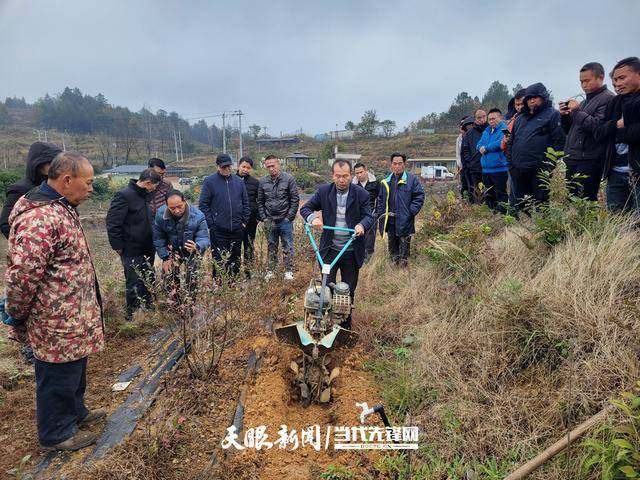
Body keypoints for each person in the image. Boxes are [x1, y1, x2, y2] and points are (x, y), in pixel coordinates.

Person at [5, 151, 105, 451]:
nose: (90, 189)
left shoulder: (61, 206)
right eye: (87, 183)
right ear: (66, 180)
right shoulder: (39, 217)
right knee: (57, 374)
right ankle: (56, 433)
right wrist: (17, 315)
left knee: (75, 369)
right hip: (54, 319)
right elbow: (22, 277)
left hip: (73, 314)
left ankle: (76, 413)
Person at [300, 160, 374, 329]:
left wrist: (361, 225)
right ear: (333, 175)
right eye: (338, 176)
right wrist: (314, 218)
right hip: (329, 250)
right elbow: (305, 209)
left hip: (351, 250)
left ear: (351, 176)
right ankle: (326, 323)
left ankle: (345, 326)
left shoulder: (361, 194)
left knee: (347, 291)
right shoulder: (324, 192)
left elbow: (369, 216)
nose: (342, 180)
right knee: (327, 289)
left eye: (345, 176)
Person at [106, 169, 161, 320]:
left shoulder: (145, 196)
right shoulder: (124, 196)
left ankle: (147, 308)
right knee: (134, 283)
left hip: (148, 247)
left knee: (148, 278)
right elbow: (112, 223)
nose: (154, 189)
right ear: (148, 182)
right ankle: (132, 316)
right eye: (154, 186)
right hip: (131, 249)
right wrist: (118, 246)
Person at [560, 62, 615, 201]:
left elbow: (598, 128)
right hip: (574, 157)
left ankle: (589, 224)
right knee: (572, 200)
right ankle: (574, 223)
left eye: (587, 81)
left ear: (600, 77)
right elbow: (570, 130)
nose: (583, 85)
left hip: (590, 159)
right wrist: (565, 115)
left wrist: (576, 111)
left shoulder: (608, 98)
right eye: (581, 81)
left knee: (586, 200)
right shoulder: (585, 102)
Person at [507, 82, 566, 211]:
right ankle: (522, 230)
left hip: (540, 170)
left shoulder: (552, 114)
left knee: (541, 204)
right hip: (518, 170)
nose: (531, 100)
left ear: (543, 97)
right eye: (528, 98)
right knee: (522, 205)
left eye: (535, 97)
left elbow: (559, 141)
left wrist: (548, 166)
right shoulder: (520, 118)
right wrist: (511, 165)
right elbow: (511, 141)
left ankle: (542, 230)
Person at [595, 57, 640, 212]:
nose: (617, 84)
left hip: (637, 171)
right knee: (616, 220)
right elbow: (599, 132)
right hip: (615, 171)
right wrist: (618, 124)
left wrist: (614, 131)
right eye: (614, 80)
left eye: (622, 78)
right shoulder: (614, 103)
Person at [198, 154, 250, 279]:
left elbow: (246, 203)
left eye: (229, 166)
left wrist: (244, 222)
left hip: (237, 228)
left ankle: (234, 283)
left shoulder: (238, 182)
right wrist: (212, 224)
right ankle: (220, 285)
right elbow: (203, 204)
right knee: (219, 259)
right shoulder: (210, 182)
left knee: (235, 257)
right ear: (218, 166)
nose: (227, 169)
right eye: (224, 167)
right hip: (218, 230)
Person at [152, 190, 210, 298]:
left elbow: (204, 238)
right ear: (166, 205)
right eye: (172, 208)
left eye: (180, 206)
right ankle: (174, 305)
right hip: (172, 250)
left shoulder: (197, 216)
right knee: (169, 276)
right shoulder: (160, 214)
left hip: (191, 250)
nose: (177, 211)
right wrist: (165, 257)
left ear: (185, 201)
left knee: (192, 277)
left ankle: (190, 305)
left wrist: (197, 246)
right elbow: (158, 237)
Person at [1, 141, 62, 239]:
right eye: (51, 163)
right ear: (38, 164)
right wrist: (28, 244)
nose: (56, 167)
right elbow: (6, 224)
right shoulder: (19, 189)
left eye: (58, 164)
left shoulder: (55, 187)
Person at [376, 153, 425, 266]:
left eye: (400, 163)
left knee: (404, 245)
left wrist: (411, 212)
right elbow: (380, 199)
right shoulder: (385, 182)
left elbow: (419, 196)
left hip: (405, 219)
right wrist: (380, 213)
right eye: (395, 163)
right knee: (392, 244)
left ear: (404, 164)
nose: (397, 166)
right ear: (391, 165)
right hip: (390, 220)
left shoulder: (411, 180)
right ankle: (393, 265)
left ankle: (404, 268)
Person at [257, 155, 300, 280]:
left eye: (273, 165)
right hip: (269, 220)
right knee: (271, 246)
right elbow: (260, 201)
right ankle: (271, 270)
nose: (271, 168)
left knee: (287, 245)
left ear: (278, 165)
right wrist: (264, 218)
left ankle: (288, 270)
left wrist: (289, 217)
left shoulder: (288, 179)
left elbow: (295, 199)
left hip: (284, 220)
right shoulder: (263, 181)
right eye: (268, 166)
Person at [477, 108, 509, 213]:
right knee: (489, 194)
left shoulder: (504, 129)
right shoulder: (486, 131)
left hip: (499, 168)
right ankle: (492, 214)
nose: (491, 121)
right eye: (489, 119)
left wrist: (486, 148)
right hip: (486, 169)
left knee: (500, 193)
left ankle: (502, 214)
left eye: (493, 119)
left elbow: (500, 143)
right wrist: (481, 148)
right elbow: (479, 144)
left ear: (500, 118)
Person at [236, 156, 260, 272]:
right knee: (235, 248)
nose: (245, 169)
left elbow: (260, 201)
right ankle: (234, 273)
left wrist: (258, 218)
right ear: (238, 166)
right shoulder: (231, 180)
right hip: (236, 222)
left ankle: (248, 272)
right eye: (243, 167)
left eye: (248, 168)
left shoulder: (255, 183)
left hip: (251, 222)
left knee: (249, 247)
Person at [352, 162, 379, 260]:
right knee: (358, 235)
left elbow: (380, 198)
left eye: (361, 172)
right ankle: (359, 257)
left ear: (366, 171)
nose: (359, 175)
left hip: (372, 213)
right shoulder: (353, 185)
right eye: (357, 173)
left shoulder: (375, 183)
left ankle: (369, 258)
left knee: (370, 237)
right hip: (358, 215)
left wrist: (377, 212)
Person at [460, 109, 488, 203]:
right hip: (475, 168)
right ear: (475, 119)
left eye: (484, 116)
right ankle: (479, 211)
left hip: (490, 167)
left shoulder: (490, 130)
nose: (482, 119)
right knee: (477, 192)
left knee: (490, 191)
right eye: (479, 117)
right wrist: (470, 163)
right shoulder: (469, 134)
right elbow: (465, 150)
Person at [457, 116, 475, 201]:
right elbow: (458, 154)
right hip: (463, 167)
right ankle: (466, 203)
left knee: (472, 186)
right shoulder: (459, 139)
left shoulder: (472, 136)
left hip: (472, 166)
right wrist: (459, 165)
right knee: (464, 186)